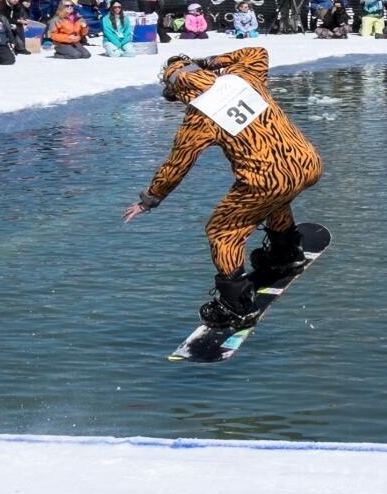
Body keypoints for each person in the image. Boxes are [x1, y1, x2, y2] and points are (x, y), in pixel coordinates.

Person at [123, 48, 324, 339]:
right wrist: (209, 62)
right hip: (307, 162)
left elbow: (176, 165)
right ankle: (285, 252)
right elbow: (258, 52)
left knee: (222, 231)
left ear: (178, 91)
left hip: (266, 180)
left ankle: (236, 306)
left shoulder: (198, 117)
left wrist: (149, 200)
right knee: (273, 197)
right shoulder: (243, 76)